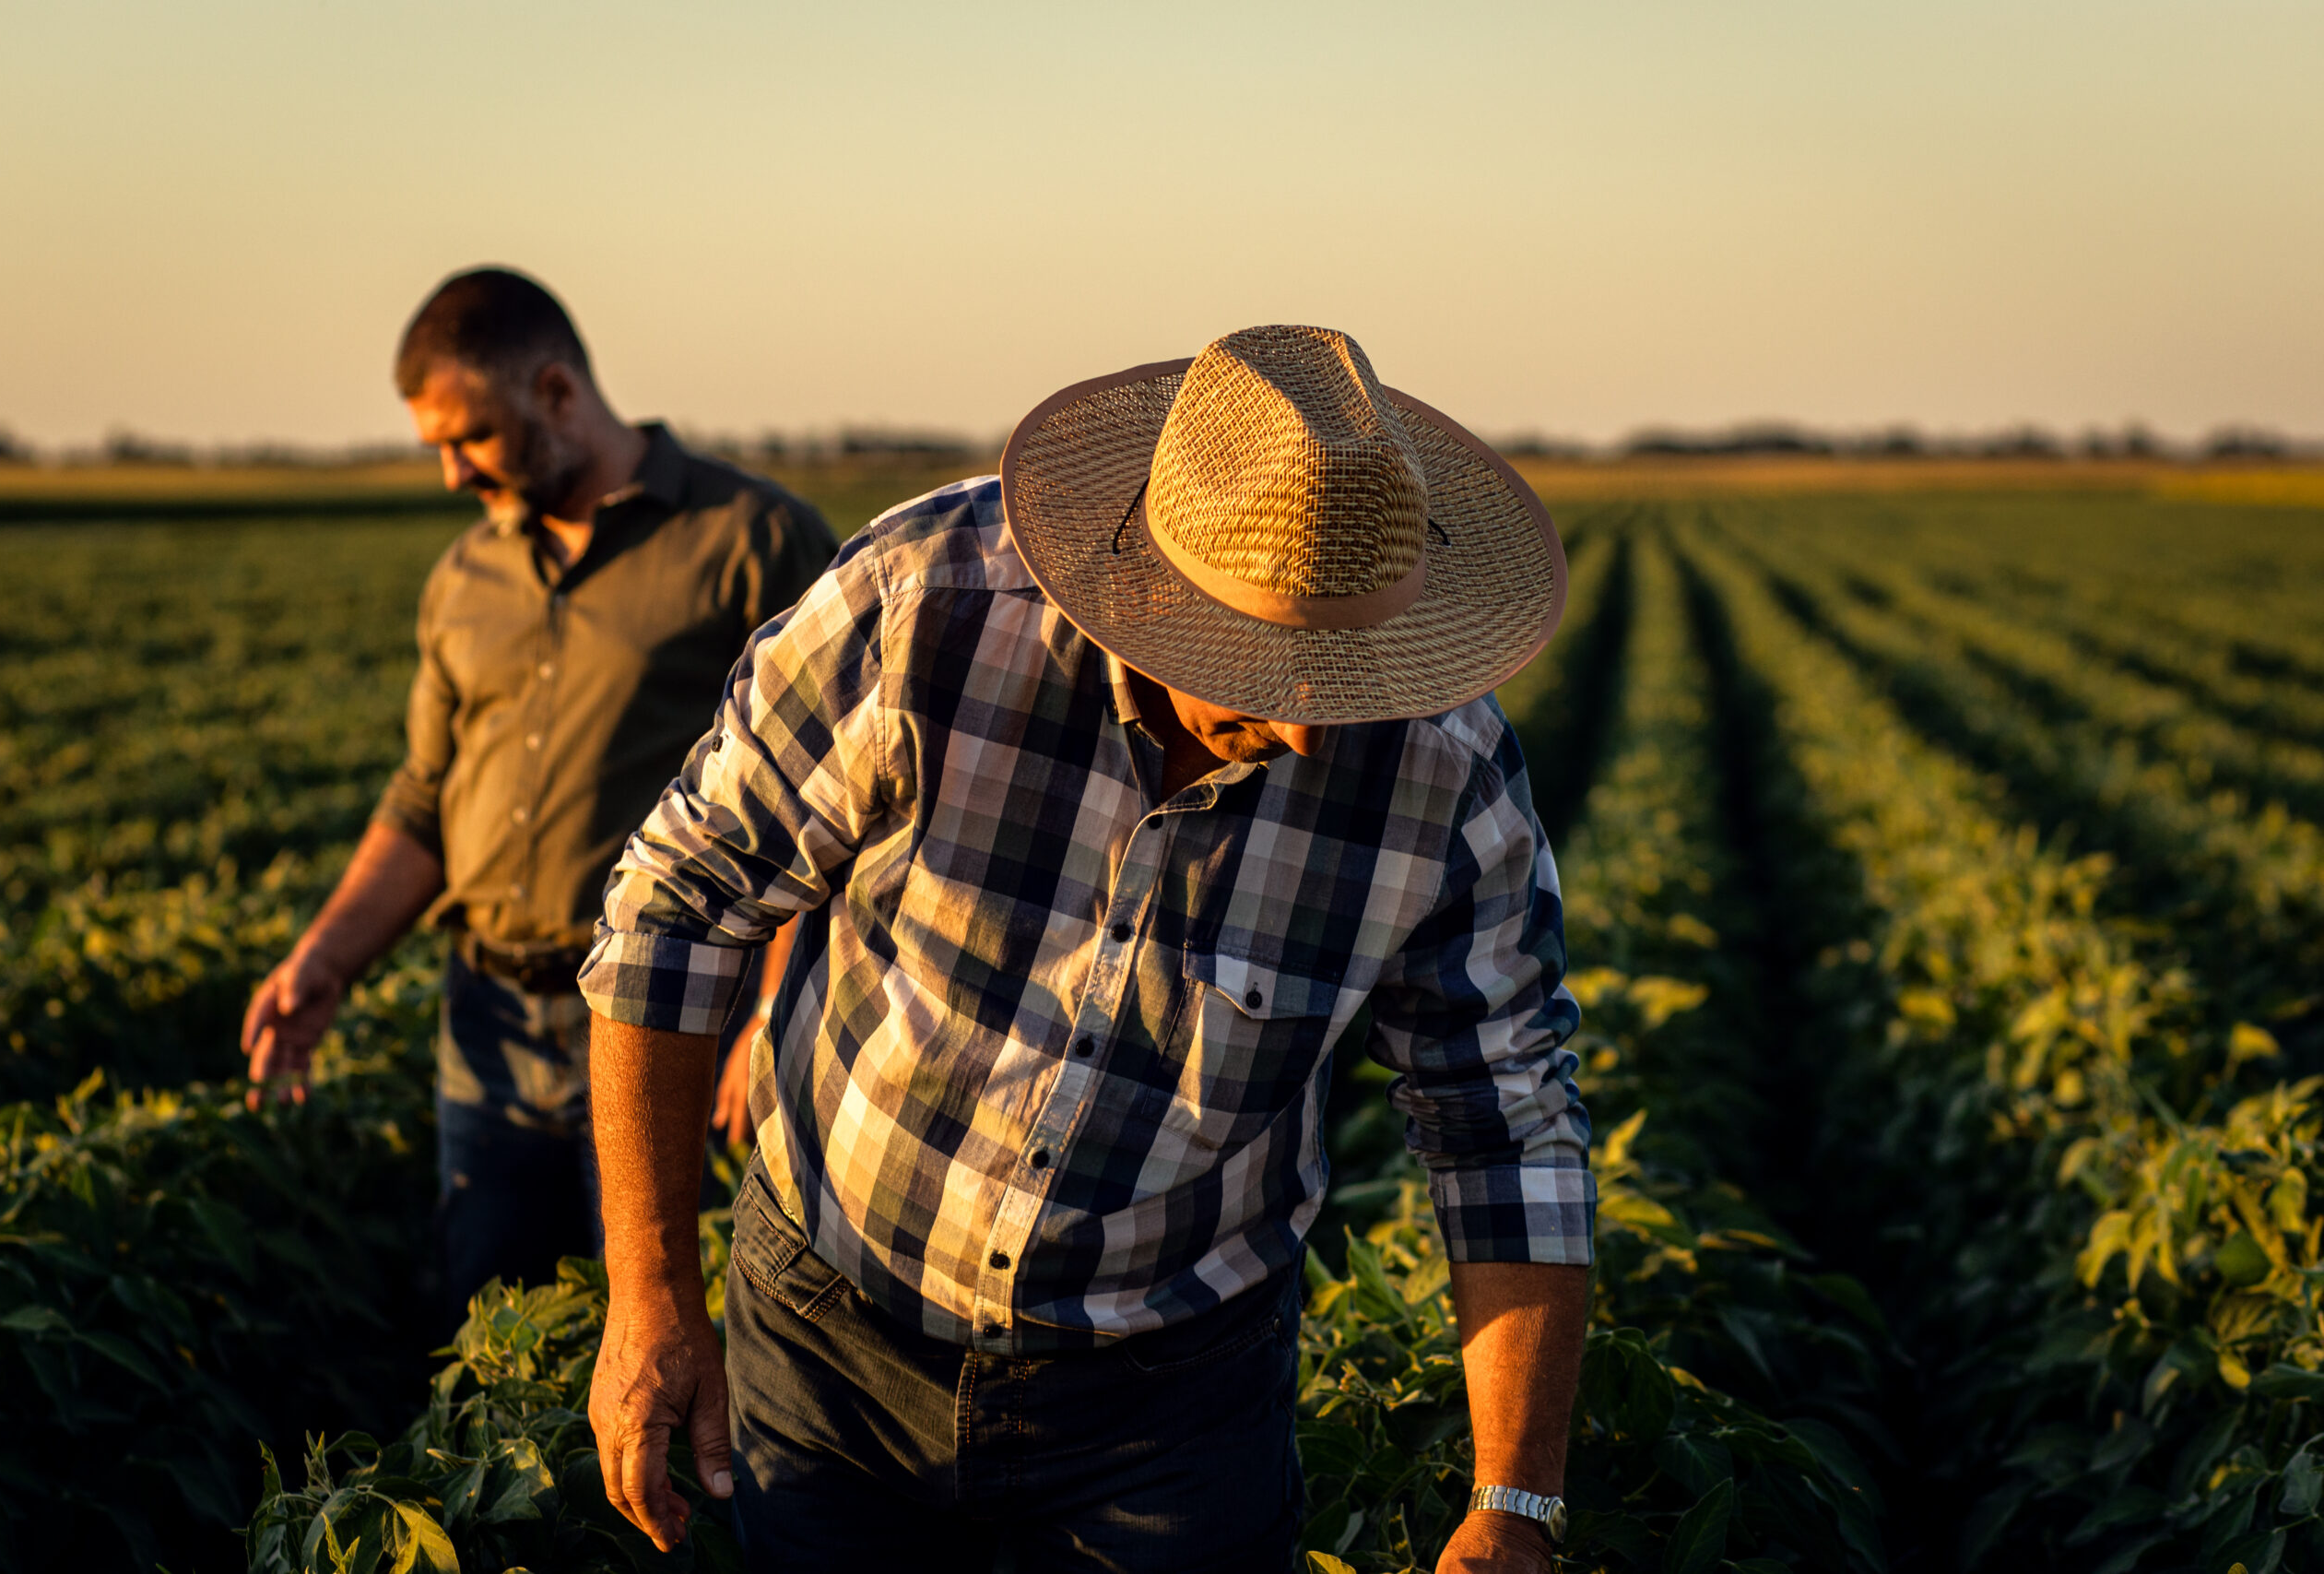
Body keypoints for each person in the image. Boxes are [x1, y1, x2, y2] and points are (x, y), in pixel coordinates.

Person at [582, 325, 1592, 1573]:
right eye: (1264, 665)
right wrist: (651, 1293)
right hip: (834, 1336)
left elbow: (1507, 1122)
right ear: (1151, 586)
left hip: (1171, 1398)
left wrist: (1516, 1501)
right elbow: (675, 908)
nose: (1303, 730)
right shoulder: (922, 611)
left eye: (1345, 671)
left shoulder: (1448, 774)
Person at [240, 266, 835, 1326]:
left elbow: (829, 803)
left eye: (467, 438)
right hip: (488, 1024)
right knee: (491, 1339)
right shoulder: (465, 578)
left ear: (556, 392)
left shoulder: (752, 542)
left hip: (675, 1019)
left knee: (673, 1331)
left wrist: (774, 1018)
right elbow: (426, 800)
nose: (448, 473)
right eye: (434, 446)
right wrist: (324, 961)